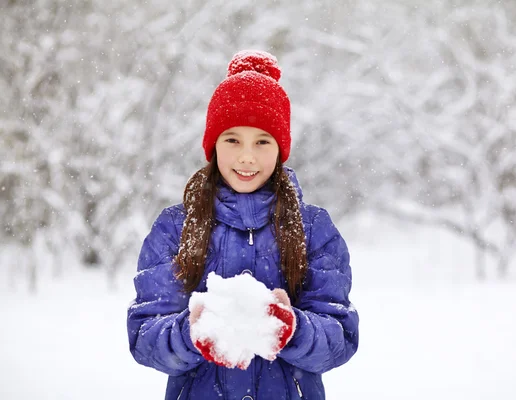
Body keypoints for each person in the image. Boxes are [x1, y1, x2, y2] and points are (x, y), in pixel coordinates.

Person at [127, 49, 359, 400]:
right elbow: (144, 336)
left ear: (280, 149)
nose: (247, 156)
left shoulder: (313, 229)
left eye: (262, 141)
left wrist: (294, 330)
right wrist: (190, 334)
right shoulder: (175, 229)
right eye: (232, 139)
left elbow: (340, 336)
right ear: (213, 145)